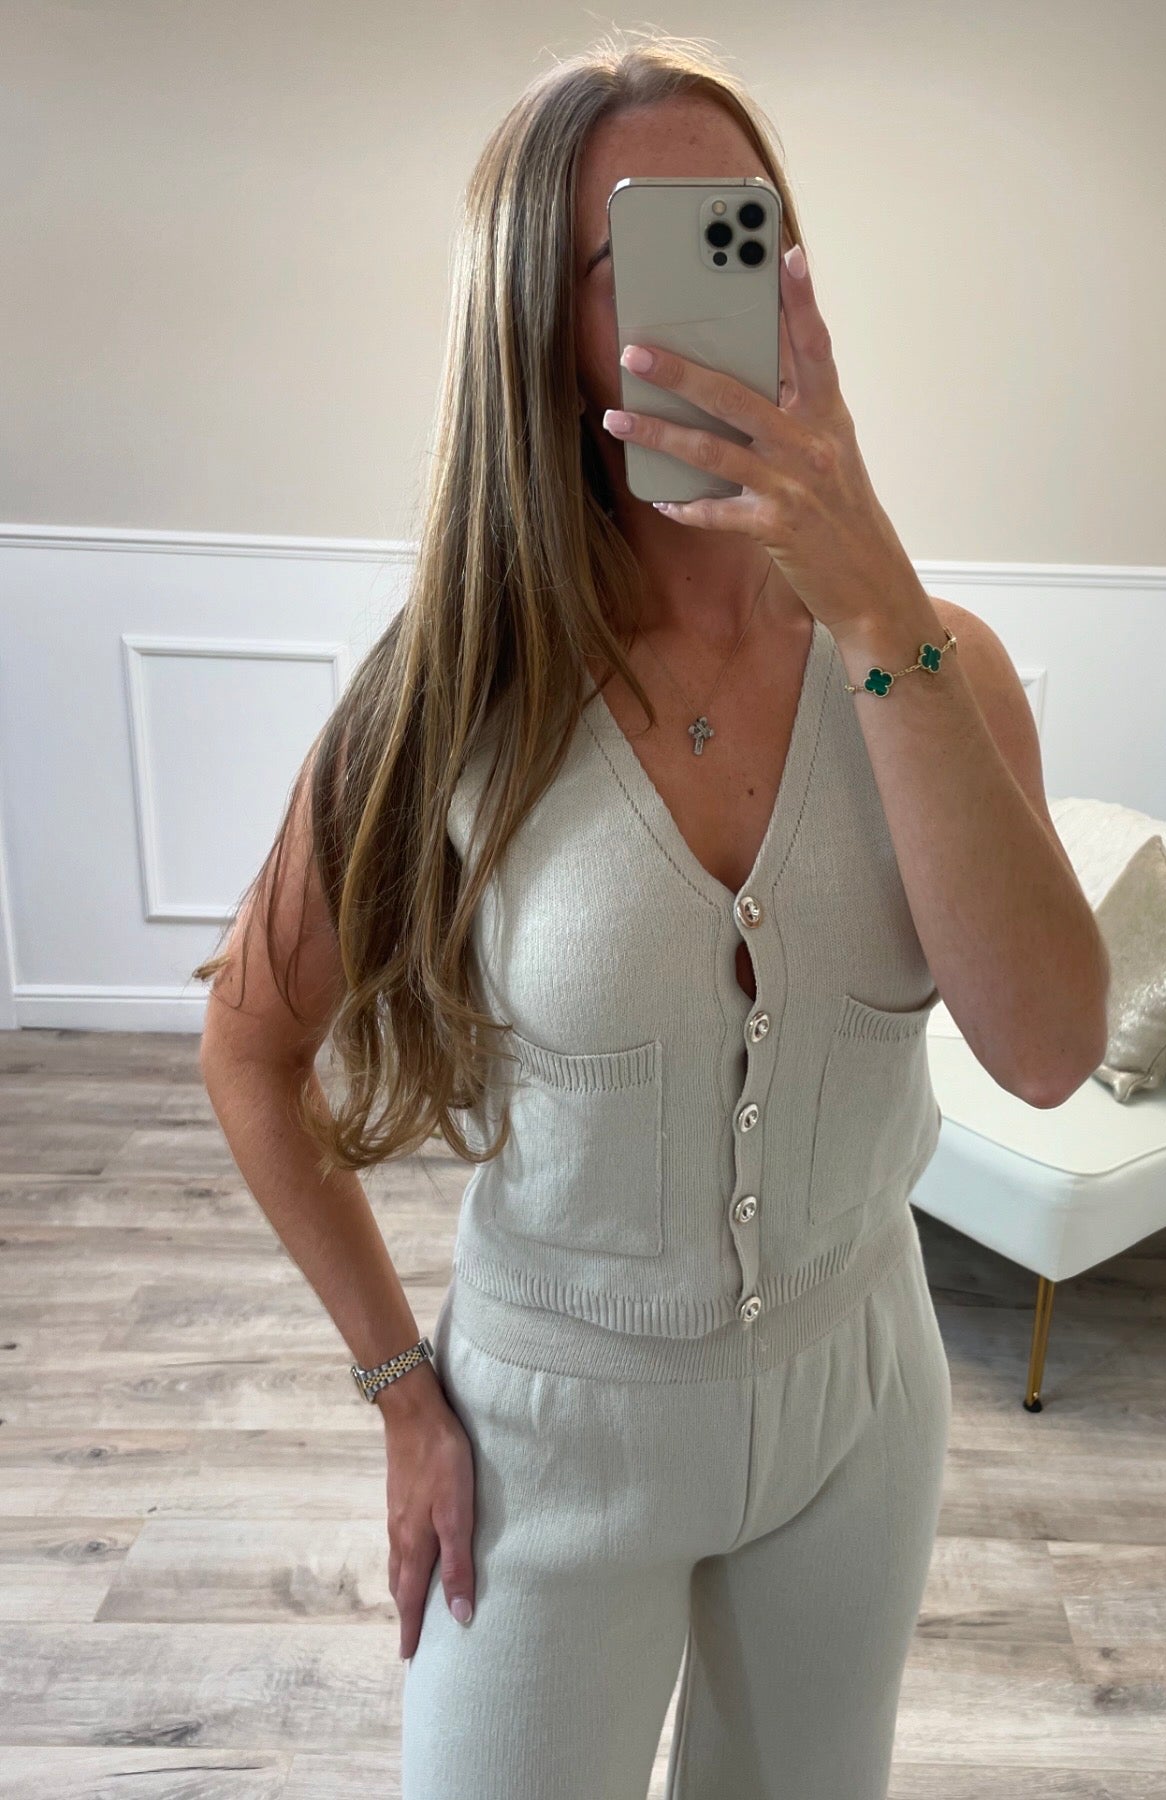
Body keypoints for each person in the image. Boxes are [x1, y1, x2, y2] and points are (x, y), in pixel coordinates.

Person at [196, 28, 1109, 1800]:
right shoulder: (454, 698)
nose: (726, 293)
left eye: (745, 232)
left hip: (859, 1401)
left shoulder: (937, 668)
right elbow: (250, 1045)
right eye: (655, 252)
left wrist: (879, 604)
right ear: (544, 326)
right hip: (547, 1440)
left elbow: (1053, 1048)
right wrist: (399, 1391)